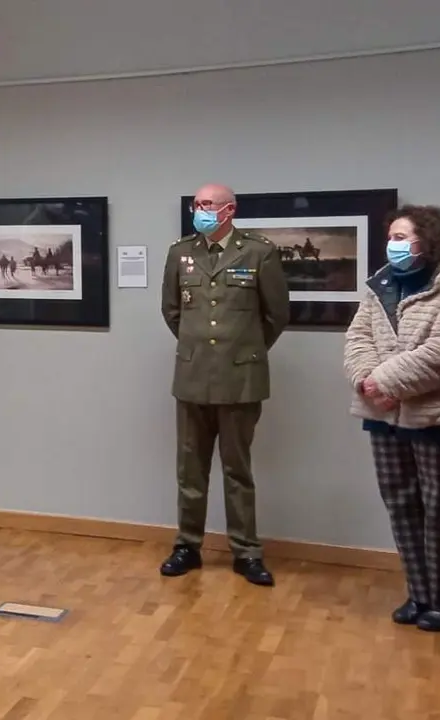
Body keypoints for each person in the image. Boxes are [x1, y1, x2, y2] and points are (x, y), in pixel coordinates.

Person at [342, 205, 440, 633]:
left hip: (436, 417)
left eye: (402, 236)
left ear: (430, 239)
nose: (393, 244)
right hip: (382, 416)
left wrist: (385, 381)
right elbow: (357, 338)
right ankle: (419, 594)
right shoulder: (382, 284)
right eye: (391, 236)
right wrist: (367, 381)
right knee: (402, 506)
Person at [159, 183, 290, 585]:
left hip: (240, 377)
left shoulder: (258, 252)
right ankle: (187, 545)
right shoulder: (181, 252)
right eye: (197, 204)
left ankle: (246, 552)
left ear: (229, 210)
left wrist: (242, 350)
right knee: (190, 470)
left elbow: (276, 315)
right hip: (193, 375)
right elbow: (172, 311)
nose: (199, 210)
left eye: (207, 204)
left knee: (238, 470)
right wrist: (203, 351)